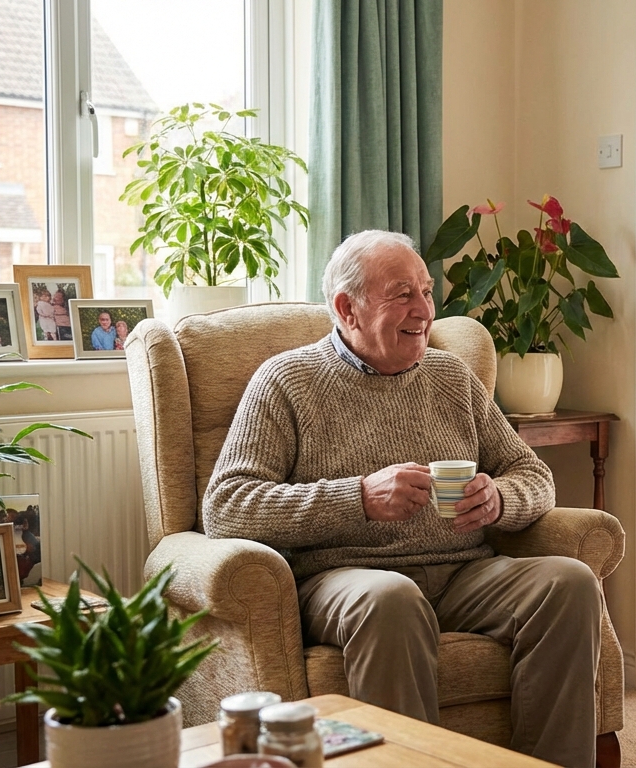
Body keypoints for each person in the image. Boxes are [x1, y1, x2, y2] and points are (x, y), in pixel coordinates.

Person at [204, 230, 602, 768]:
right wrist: (358, 499)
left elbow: (532, 473)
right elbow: (227, 505)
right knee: (391, 598)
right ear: (348, 308)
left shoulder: (451, 377)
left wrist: (499, 498)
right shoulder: (286, 381)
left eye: (427, 291)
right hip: (346, 578)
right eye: (402, 294)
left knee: (568, 582)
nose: (424, 310)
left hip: (463, 574)